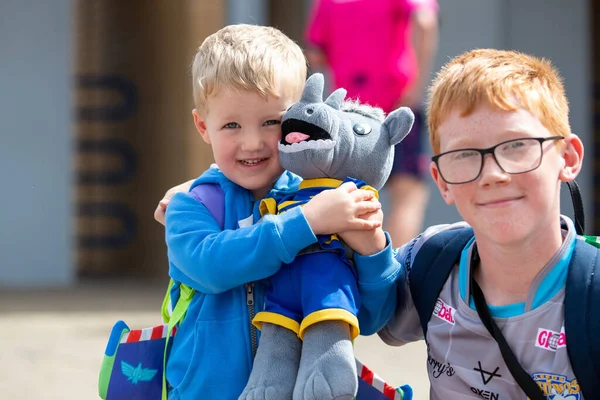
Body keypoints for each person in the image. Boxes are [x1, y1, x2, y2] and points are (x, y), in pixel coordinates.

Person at [161, 24, 397, 400]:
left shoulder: (332, 197)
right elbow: (212, 267)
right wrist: (306, 224)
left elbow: (372, 317)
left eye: (271, 121)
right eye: (231, 125)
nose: (252, 141)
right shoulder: (191, 205)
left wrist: (373, 250)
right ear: (204, 127)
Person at [360, 49, 590, 398]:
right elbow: (350, 312)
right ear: (441, 181)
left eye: (516, 145)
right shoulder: (429, 261)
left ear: (568, 158)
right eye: (465, 155)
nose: (494, 174)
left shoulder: (593, 293)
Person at [304, 0, 439, 246]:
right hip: (396, 107)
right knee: (408, 195)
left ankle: (354, 271)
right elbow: (425, 21)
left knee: (349, 196)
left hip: (349, 112)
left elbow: (315, 54)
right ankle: (396, 267)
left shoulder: (327, 2)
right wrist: (416, 86)